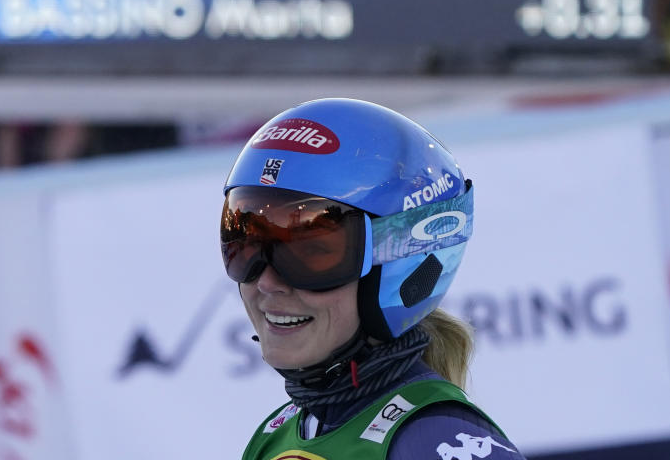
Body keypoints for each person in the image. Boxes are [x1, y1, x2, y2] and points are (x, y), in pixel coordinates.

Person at [220, 98, 525, 460]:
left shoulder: (438, 442)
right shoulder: (279, 435)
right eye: (247, 244)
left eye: (310, 253)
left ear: (402, 266)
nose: (267, 283)